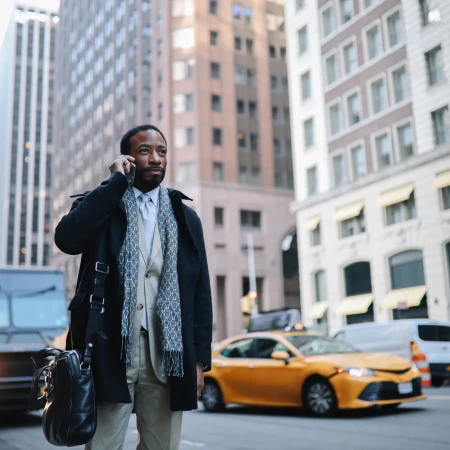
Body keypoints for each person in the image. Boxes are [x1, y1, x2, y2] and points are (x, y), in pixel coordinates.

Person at [55, 124, 213, 450]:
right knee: (102, 445)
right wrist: (115, 183)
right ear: (127, 158)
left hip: (169, 353)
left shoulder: (186, 218)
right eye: (145, 151)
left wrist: (199, 361)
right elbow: (67, 239)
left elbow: (200, 293)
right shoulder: (103, 206)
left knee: (162, 446)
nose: (155, 158)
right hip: (110, 347)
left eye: (162, 151)